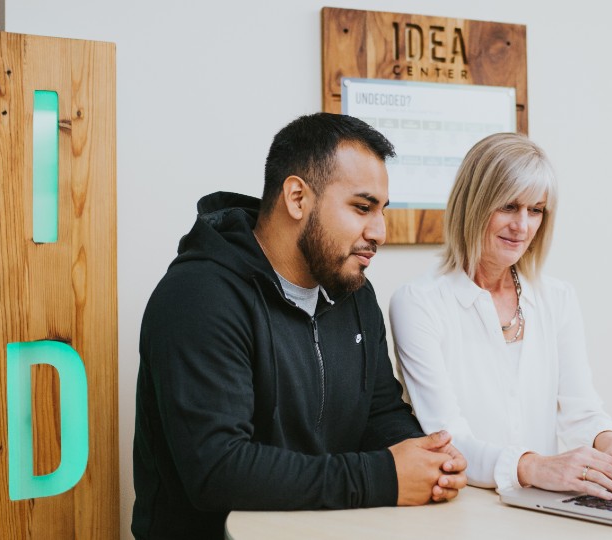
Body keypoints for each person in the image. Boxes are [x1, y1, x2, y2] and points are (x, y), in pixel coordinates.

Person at [132, 113, 467, 539]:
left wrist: (429, 459)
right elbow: (217, 470)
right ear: (296, 198)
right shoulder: (198, 297)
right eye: (362, 207)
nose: (379, 231)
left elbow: (378, 411)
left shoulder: (353, 292)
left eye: (382, 211)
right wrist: (383, 476)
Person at [390, 133, 612, 502]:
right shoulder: (418, 303)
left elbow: (581, 410)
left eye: (536, 210)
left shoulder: (557, 298)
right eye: (509, 206)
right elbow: (448, 438)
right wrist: (533, 466)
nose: (522, 226)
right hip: (463, 510)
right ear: (474, 204)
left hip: (543, 508)